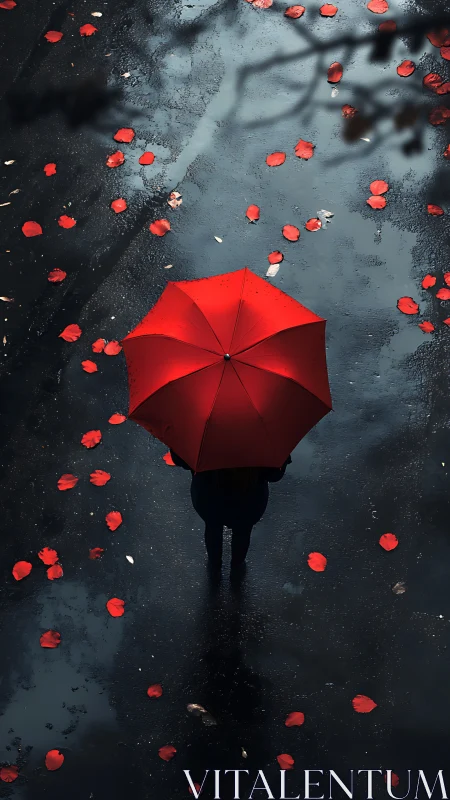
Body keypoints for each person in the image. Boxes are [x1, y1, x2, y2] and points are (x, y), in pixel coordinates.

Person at [170, 448, 292, 572]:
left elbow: (181, 461)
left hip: (209, 499)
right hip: (249, 502)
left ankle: (214, 564)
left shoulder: (202, 436)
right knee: (243, 532)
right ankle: (237, 565)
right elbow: (274, 475)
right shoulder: (261, 440)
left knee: (212, 528)